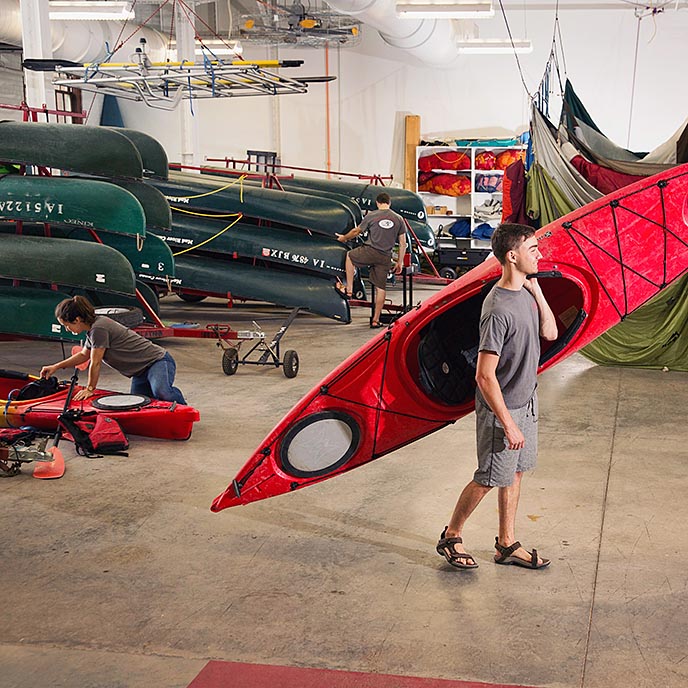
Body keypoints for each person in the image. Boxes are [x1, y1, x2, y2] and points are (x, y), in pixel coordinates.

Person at [436, 223, 558, 570]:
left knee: (515, 473)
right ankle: (451, 536)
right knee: (490, 477)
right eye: (533, 249)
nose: (540, 254)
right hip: (501, 409)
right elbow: (484, 375)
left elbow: (549, 331)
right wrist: (508, 425)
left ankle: (506, 544)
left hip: (527, 401)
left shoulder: (525, 295)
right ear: (512, 256)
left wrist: (537, 292)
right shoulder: (498, 308)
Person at [40, 296, 186, 405]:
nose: (67, 329)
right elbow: (84, 355)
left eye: (66, 325)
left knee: (162, 392)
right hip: (140, 372)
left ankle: (184, 408)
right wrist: (56, 366)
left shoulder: (99, 328)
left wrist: (90, 388)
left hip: (157, 361)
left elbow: (95, 363)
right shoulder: (93, 330)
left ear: (77, 319)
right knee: (138, 404)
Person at [335, 192, 407, 329]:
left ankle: (349, 289)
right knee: (381, 288)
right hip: (385, 256)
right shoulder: (398, 219)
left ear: (377, 203)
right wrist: (400, 262)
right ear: (389, 203)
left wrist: (344, 238)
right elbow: (403, 243)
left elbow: (357, 231)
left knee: (350, 256)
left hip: (370, 251)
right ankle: (375, 320)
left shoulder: (372, 215)